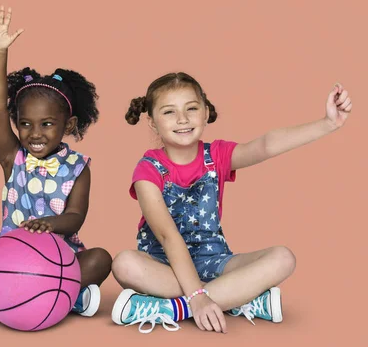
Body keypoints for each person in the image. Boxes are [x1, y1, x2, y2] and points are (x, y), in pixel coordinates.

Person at [111, 72, 352, 333]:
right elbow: (167, 236)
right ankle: (235, 298)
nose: (182, 119)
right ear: (152, 122)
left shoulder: (217, 155)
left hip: (214, 261)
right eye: (169, 112)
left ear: (205, 112)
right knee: (124, 264)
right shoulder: (148, 170)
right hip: (163, 264)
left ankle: (173, 309)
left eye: (191, 108)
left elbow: (266, 145)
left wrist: (328, 124)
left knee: (283, 258)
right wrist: (197, 296)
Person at [0, 7, 112, 320]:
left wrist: (50, 224)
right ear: (16, 122)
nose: (35, 133)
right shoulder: (12, 157)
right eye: (26, 123)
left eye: (46, 124)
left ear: (68, 125)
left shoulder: (78, 167)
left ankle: (51, 292)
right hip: (12, 256)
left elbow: (75, 217)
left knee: (100, 259)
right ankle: (30, 295)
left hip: (60, 258)